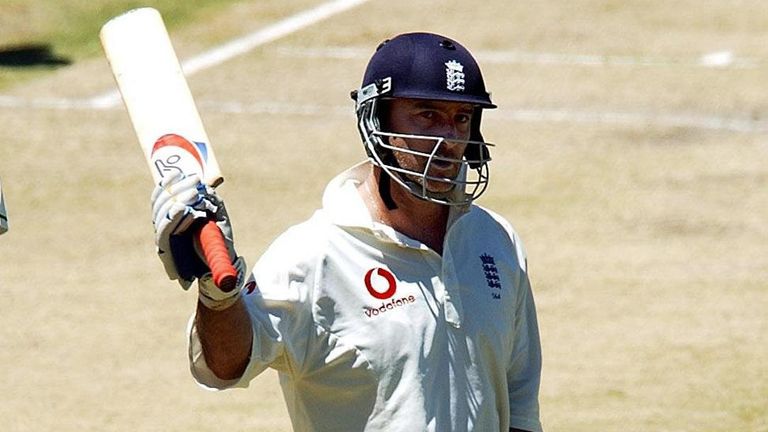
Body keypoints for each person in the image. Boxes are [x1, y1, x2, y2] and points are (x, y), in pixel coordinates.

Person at [151, 32, 543, 432]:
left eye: (461, 119)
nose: (448, 140)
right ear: (377, 121)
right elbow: (225, 365)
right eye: (427, 115)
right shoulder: (313, 255)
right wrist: (217, 293)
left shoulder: (496, 241)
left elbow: (520, 405)